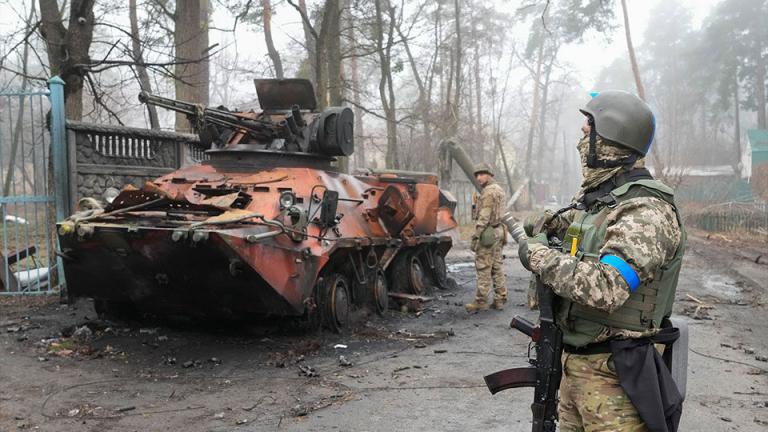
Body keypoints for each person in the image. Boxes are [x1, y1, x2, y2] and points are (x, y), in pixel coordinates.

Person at [518, 91, 686, 432]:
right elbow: (583, 235)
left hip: (615, 379)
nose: (582, 135)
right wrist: (550, 225)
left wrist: (538, 257)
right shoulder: (601, 203)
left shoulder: (646, 210)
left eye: (589, 129)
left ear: (612, 139)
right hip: (575, 368)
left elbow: (608, 287)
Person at [465, 163, 507, 313]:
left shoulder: (488, 192)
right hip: (499, 230)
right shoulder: (499, 189)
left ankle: (481, 301)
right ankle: (500, 299)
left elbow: (484, 216)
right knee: (497, 267)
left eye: (482, 174)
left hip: (488, 233)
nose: (478, 177)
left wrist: (476, 237)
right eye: (477, 175)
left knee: (483, 267)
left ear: (489, 174)